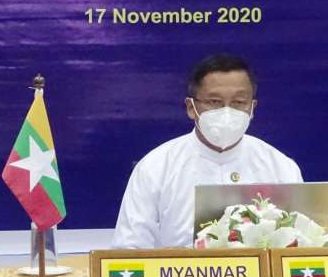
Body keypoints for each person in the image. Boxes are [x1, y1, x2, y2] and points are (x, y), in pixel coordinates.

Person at [112, 53, 303, 249]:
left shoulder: (281, 167)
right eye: (214, 102)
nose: (227, 111)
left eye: (239, 102)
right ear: (191, 107)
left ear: (252, 107)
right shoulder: (156, 167)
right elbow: (130, 249)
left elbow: (301, 246)